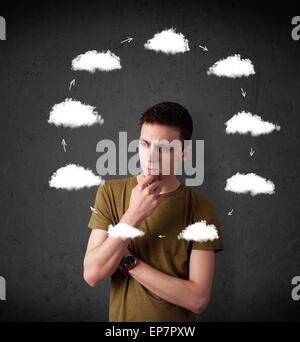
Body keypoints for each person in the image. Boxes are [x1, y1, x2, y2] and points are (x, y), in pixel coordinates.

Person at [83, 101, 224, 322]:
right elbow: (92, 274)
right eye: (145, 144)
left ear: (184, 153)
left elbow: (198, 299)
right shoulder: (110, 193)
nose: (150, 156)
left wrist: (129, 262)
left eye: (164, 148)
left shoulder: (200, 209)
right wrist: (134, 215)